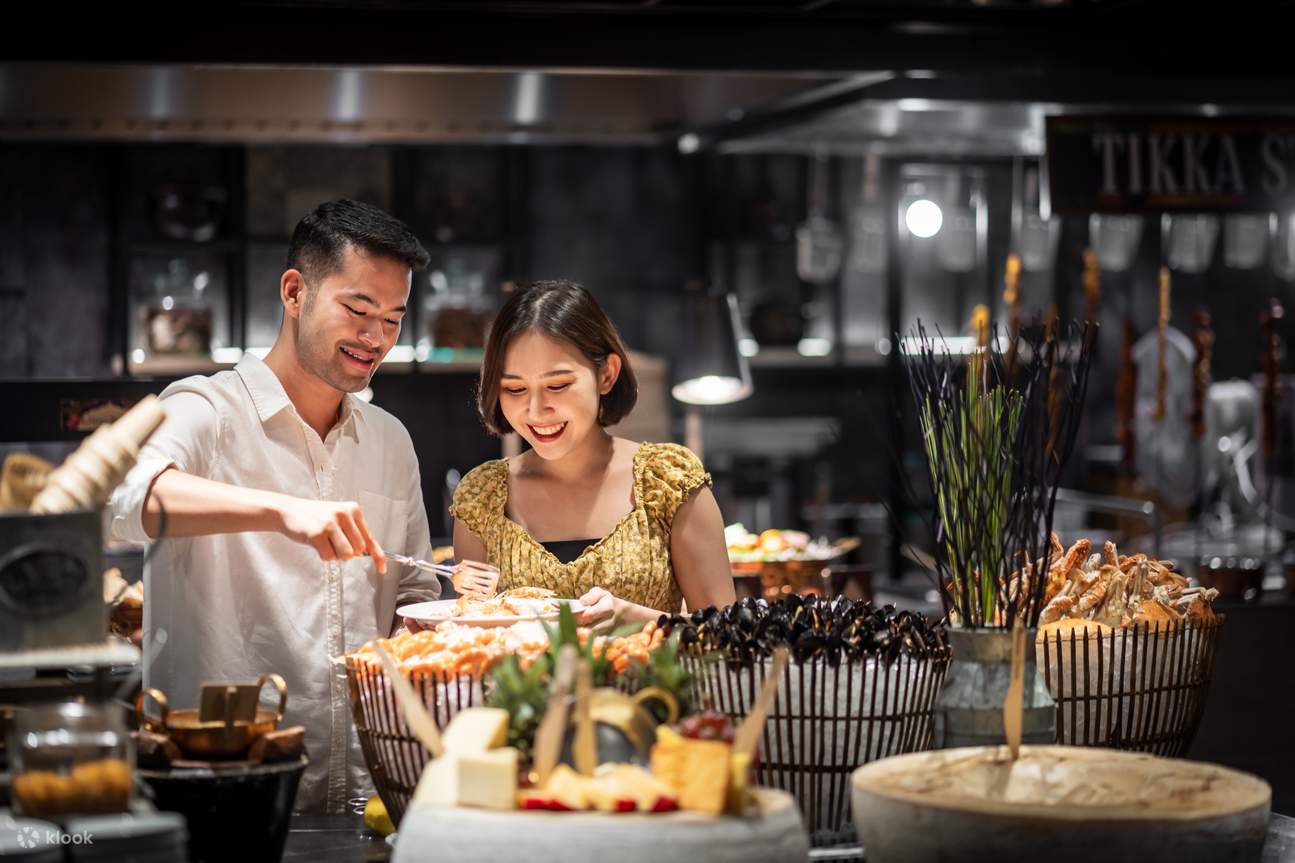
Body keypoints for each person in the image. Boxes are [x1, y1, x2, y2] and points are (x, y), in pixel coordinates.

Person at [109, 199, 441, 813]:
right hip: (226, 787)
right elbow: (127, 499)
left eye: (393, 318)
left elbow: (414, 590)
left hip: (371, 792)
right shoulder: (204, 408)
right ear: (295, 291)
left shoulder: (390, 438)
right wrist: (277, 509)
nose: (377, 338)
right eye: (358, 309)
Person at [449, 280, 736, 631]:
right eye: (515, 389)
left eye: (557, 385)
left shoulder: (668, 481)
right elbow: (470, 639)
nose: (536, 410)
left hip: (649, 686)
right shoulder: (482, 498)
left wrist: (641, 621)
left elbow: (728, 636)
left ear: (607, 374)